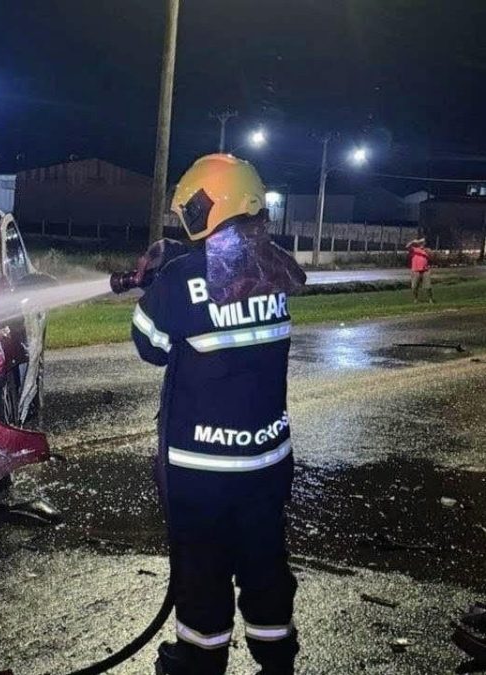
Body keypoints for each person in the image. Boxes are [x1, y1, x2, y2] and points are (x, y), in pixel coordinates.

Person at [130, 154, 306, 675]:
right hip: (267, 462)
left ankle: (199, 660)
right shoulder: (274, 270)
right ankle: (276, 658)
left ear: (210, 204)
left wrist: (160, 278)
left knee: (202, 571)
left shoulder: (182, 279)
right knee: (265, 564)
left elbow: (150, 345)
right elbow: (229, 279)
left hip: (201, 469)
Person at [406, 237, 434, 303]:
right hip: (415, 270)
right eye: (420, 242)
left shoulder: (427, 250)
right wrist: (413, 242)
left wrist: (425, 251)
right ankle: (415, 299)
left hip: (425, 270)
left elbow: (432, 256)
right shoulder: (413, 249)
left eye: (423, 242)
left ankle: (430, 299)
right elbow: (407, 246)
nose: (422, 244)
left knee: (428, 287)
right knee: (414, 287)